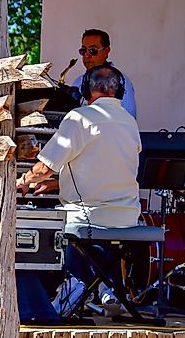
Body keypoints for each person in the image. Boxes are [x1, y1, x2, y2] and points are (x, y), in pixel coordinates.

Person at [17, 65, 141, 314]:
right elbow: (102, 171)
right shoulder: (129, 122)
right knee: (91, 228)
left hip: (88, 217)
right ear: (120, 92)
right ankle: (110, 291)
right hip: (126, 217)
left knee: (36, 223)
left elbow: (44, 168)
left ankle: (69, 291)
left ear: (86, 90)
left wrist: (23, 181)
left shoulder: (80, 117)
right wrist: (58, 183)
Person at [69, 29, 137, 118]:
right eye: (83, 50)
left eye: (92, 50)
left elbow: (129, 117)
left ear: (106, 51)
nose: (87, 55)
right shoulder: (78, 82)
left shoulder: (121, 81)